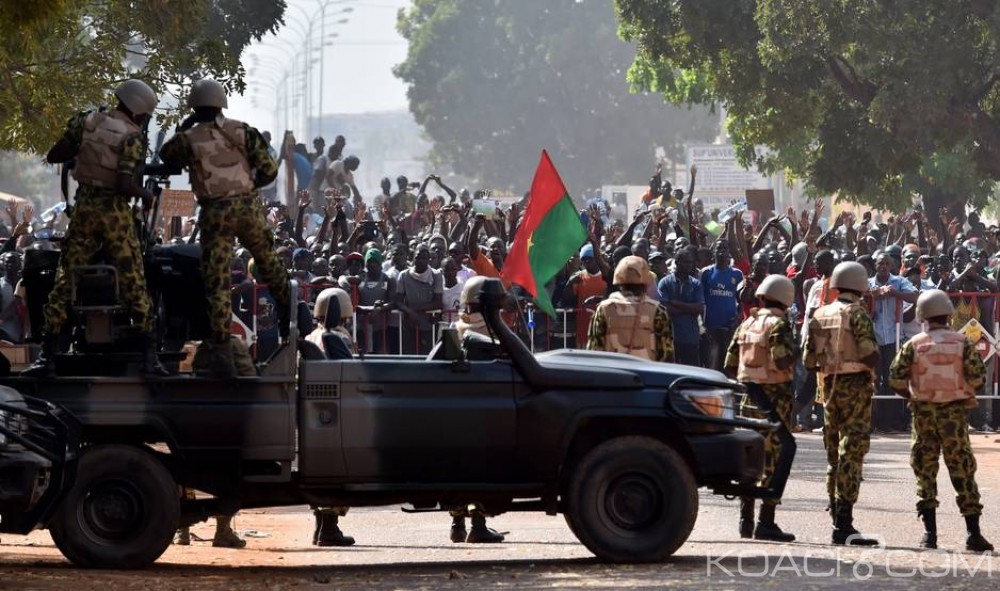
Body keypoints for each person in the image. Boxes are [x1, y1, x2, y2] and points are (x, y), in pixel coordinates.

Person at [23, 79, 169, 377]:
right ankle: (150, 359)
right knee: (133, 281)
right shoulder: (132, 136)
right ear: (140, 111)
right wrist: (147, 195)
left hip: (85, 210)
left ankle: (47, 357)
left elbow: (55, 154)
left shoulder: (87, 120)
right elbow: (125, 184)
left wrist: (84, 154)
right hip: (114, 213)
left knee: (66, 281)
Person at [158, 78, 291, 378]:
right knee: (268, 260)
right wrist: (247, 187)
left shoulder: (190, 137)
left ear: (195, 106)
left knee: (216, 279)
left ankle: (220, 347)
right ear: (222, 104)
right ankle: (288, 310)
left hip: (216, 211)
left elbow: (167, 156)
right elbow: (270, 168)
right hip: (246, 206)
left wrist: (186, 126)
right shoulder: (242, 130)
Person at [888, 290, 994, 552]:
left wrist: (915, 394)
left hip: (923, 415)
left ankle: (929, 534)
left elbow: (895, 378)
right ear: (948, 314)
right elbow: (979, 376)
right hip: (954, 417)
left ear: (922, 315)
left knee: (925, 471)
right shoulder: (962, 343)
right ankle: (973, 534)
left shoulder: (914, 344)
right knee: (962, 471)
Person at [803, 261, 880, 546]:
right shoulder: (857, 315)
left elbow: (808, 361)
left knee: (834, 454)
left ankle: (836, 515)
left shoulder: (820, 314)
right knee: (852, 452)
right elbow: (870, 353)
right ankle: (844, 524)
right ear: (860, 285)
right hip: (855, 388)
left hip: (827, 388)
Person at [724, 275, 797, 542]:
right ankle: (766, 523)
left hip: (748, 400)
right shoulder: (779, 325)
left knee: (749, 459)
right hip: (775, 401)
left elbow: (730, 364)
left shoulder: (747, 324)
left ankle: (745, 521)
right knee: (775, 460)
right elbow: (781, 361)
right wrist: (796, 350)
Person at [447, 275, 505, 544]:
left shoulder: (454, 327)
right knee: (479, 468)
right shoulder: (490, 330)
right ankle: (477, 525)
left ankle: (457, 524)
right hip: (482, 408)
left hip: (453, 408)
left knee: (457, 467)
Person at [306, 288, 356, 547]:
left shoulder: (311, 335)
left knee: (321, 469)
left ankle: (321, 528)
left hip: (315, 411)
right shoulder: (336, 337)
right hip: (333, 408)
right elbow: (349, 372)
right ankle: (329, 529)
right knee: (337, 470)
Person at [587, 256, 673, 362]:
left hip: (611, 373)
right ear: (646, 282)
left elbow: (594, 349)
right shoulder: (658, 311)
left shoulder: (603, 309)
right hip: (646, 375)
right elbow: (666, 354)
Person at [869, 252, 918, 432]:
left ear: (891, 266)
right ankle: (873, 421)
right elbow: (858, 299)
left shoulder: (898, 281)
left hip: (892, 338)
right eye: (880, 263)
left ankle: (888, 422)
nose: (883, 266)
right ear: (875, 265)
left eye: (886, 263)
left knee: (890, 379)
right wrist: (870, 296)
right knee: (874, 379)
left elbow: (914, 296)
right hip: (873, 338)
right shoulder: (869, 283)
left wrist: (894, 293)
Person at [701, 240, 743, 371]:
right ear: (713, 252)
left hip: (729, 327)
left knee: (728, 364)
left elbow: (741, 301)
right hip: (710, 327)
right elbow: (700, 300)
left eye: (725, 248)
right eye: (719, 248)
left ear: (729, 252)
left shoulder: (737, 274)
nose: (722, 251)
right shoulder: (706, 273)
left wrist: (737, 319)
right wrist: (702, 326)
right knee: (712, 363)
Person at [658, 248, 703, 365]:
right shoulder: (665, 282)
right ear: (677, 263)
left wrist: (676, 303)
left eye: (691, 262)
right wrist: (688, 308)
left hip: (690, 337)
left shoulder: (696, 284)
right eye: (686, 262)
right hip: (670, 337)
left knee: (691, 373)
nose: (689, 265)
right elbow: (665, 309)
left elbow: (698, 308)